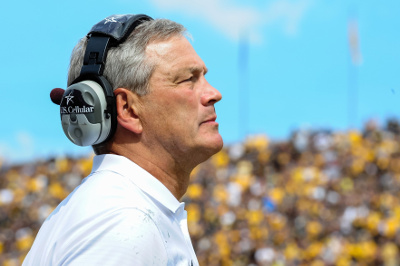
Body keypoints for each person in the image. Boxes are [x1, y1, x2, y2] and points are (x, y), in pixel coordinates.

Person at [23, 13, 223, 265]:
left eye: (203, 77)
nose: (214, 94)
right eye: (187, 80)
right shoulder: (123, 222)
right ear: (127, 109)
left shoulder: (118, 209)